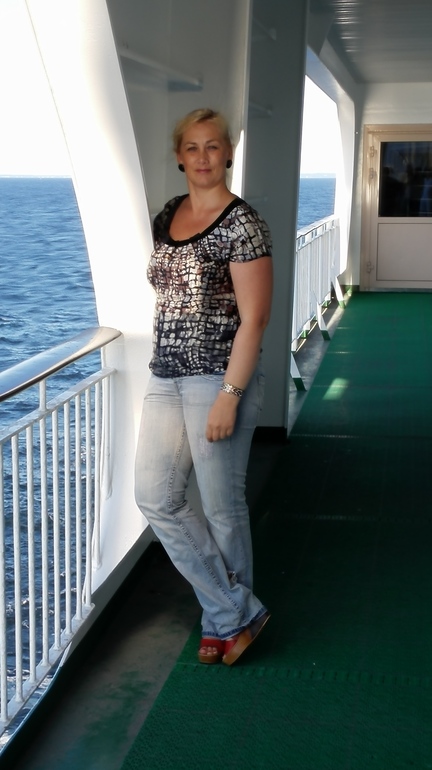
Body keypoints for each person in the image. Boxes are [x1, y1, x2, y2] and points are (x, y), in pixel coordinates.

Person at [135, 108, 273, 666]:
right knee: (155, 497)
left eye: (212, 146)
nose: (202, 157)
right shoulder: (168, 214)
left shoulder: (244, 224)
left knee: (221, 507)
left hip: (217, 376)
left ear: (228, 152)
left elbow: (255, 319)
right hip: (164, 373)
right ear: (179, 156)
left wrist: (229, 395)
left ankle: (223, 621)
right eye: (192, 147)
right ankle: (236, 610)